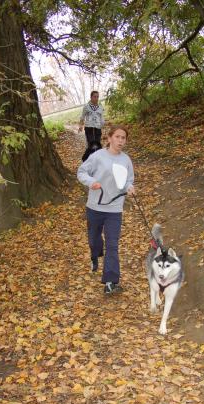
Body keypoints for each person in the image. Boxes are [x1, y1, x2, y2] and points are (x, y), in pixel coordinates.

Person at [77, 125, 135, 294]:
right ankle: (95, 254)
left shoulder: (126, 160)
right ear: (109, 138)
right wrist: (91, 182)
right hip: (94, 207)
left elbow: (128, 180)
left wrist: (130, 187)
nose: (120, 140)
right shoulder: (97, 156)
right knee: (94, 240)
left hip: (114, 209)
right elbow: (81, 172)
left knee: (112, 245)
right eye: (117, 137)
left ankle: (110, 281)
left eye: (123, 138)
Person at [78, 91, 104, 162]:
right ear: (91, 97)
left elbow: (101, 117)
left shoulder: (100, 107)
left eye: (97, 97)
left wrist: (102, 124)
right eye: (94, 96)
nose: (96, 98)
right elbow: (82, 117)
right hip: (89, 127)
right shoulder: (86, 106)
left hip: (98, 128)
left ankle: (98, 160)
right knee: (91, 144)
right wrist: (80, 126)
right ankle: (85, 159)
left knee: (98, 144)